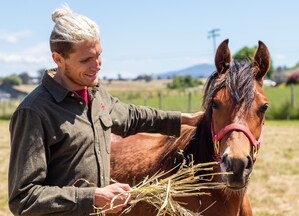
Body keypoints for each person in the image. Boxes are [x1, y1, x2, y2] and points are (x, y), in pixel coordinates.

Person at [8, 5, 203, 216]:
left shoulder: (94, 93)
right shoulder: (34, 112)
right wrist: (92, 197)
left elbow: (132, 117)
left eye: (98, 55)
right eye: (86, 60)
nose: (97, 65)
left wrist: (185, 119)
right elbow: (23, 199)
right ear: (58, 59)